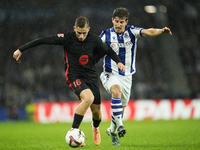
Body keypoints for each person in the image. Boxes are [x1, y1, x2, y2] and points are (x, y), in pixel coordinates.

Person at [13, 16, 125, 146]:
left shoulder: (94, 39)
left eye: (84, 33)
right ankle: (74, 130)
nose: (82, 36)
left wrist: (118, 62)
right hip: (74, 75)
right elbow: (44, 40)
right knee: (88, 98)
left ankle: (95, 128)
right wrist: (21, 49)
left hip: (91, 76)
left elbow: (108, 50)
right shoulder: (67, 38)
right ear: (74, 29)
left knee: (97, 112)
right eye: (79, 33)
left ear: (88, 29)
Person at [99, 7, 172, 145]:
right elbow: (94, 46)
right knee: (116, 91)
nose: (118, 25)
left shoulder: (132, 31)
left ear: (126, 22)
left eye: (121, 22)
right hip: (110, 73)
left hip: (127, 76)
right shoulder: (105, 35)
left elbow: (149, 31)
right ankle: (120, 126)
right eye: (116, 21)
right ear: (112, 20)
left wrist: (161, 31)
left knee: (121, 108)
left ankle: (112, 130)